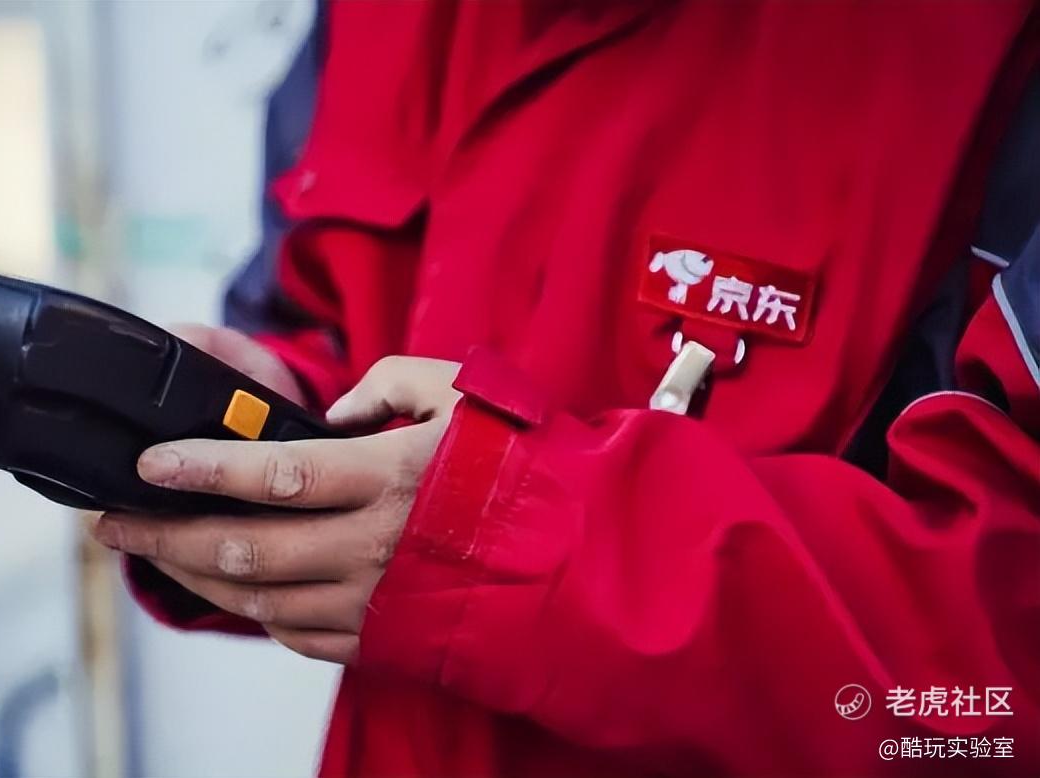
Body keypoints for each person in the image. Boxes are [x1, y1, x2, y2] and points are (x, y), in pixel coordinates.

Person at [90, 2, 1040, 775]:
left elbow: (1002, 695)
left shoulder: (993, 54)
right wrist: (271, 420)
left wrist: (509, 540)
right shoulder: (377, 18)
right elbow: (323, 329)